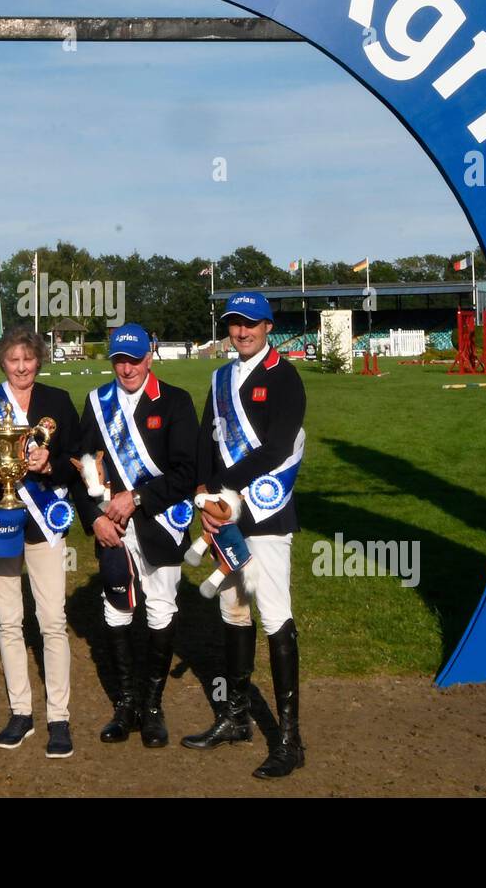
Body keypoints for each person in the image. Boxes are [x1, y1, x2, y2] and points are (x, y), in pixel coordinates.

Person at [184, 291, 308, 780]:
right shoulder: (219, 378)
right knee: (232, 611)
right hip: (223, 514)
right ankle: (235, 717)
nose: (242, 332)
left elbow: (279, 446)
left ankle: (291, 739)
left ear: (268, 326)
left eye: (250, 324)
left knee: (275, 615)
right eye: (235, 324)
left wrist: (227, 490)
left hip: (267, 514)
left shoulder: (285, 377)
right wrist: (204, 496)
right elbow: (205, 441)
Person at [71, 322, 198, 748]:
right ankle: (126, 705)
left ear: (150, 356)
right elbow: (83, 466)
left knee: (160, 608)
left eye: (135, 359)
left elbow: (186, 472)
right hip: (112, 527)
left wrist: (137, 498)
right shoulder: (97, 402)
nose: (126, 369)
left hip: (161, 522)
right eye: (119, 360)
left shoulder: (176, 402)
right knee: (116, 610)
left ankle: (153, 707)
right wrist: (95, 518)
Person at [0, 326, 82, 758]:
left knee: (52, 620)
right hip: (2, 524)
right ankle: (20, 712)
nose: (21, 368)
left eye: (28, 359)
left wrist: (51, 464)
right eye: (13, 360)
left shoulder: (59, 403)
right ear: (3, 362)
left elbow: (79, 459)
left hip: (47, 524)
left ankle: (59, 717)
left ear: (39, 360)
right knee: (9, 621)